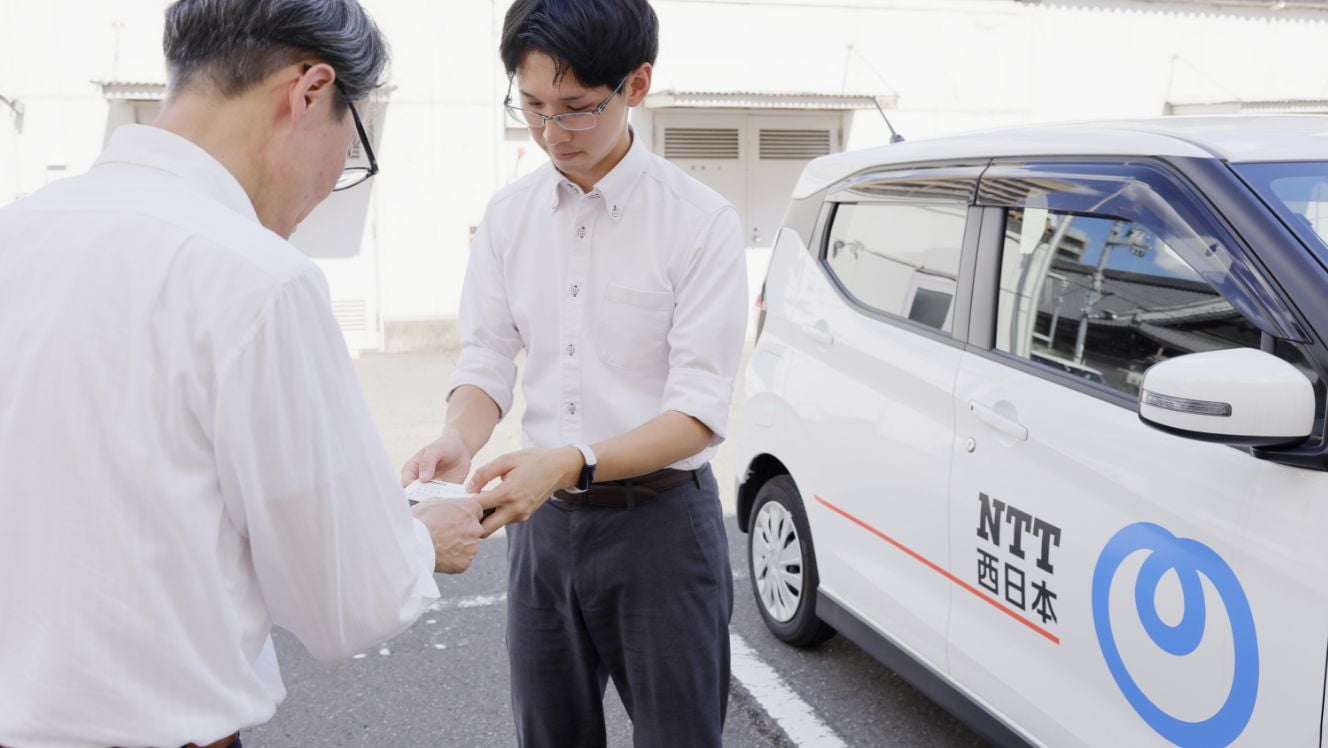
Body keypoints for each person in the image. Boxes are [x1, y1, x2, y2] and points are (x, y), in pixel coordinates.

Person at [0, 2, 483, 747]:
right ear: (311, 91)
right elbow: (347, 600)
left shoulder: (17, 234)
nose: (334, 181)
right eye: (353, 148)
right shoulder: (257, 279)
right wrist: (422, 542)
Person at [399, 1, 748, 745]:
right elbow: (487, 357)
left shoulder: (700, 221)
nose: (552, 131)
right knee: (549, 733)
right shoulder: (509, 216)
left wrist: (572, 461)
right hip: (544, 527)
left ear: (636, 84)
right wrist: (459, 437)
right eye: (531, 106)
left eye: (577, 107)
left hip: (663, 525)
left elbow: (697, 412)